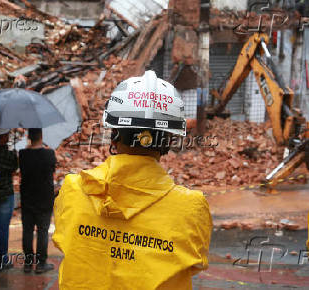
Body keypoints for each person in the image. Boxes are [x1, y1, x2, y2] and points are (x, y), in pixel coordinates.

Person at [53, 71, 212, 289]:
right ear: (170, 138)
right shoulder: (191, 207)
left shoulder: (73, 189)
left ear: (114, 131)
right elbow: (194, 263)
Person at [19, 128, 57, 273]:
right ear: (41, 136)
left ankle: (28, 263)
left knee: (27, 230)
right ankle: (41, 264)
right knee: (42, 231)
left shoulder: (23, 154)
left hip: (27, 197)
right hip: (44, 198)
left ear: (29, 137)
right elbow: (52, 169)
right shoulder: (49, 154)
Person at [0, 129, 18, 271]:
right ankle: (2, 259)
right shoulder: (8, 154)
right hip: (5, 193)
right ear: (3, 137)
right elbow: (15, 167)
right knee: (3, 228)